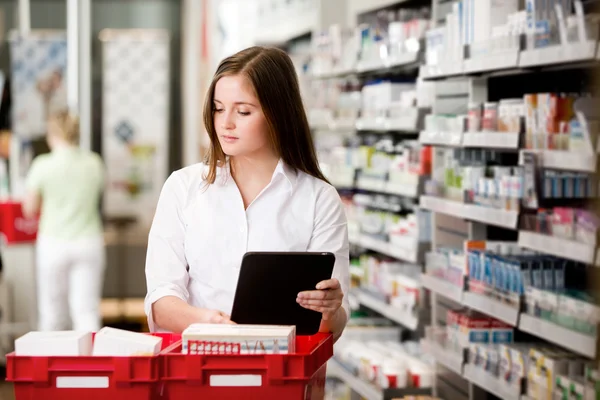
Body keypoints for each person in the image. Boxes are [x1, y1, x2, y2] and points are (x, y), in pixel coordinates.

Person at [144, 46, 350, 340]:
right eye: (218, 108)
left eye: (243, 111)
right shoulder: (184, 187)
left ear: (277, 113)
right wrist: (213, 325)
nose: (225, 123)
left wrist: (330, 309)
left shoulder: (319, 199)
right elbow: (160, 300)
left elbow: (333, 325)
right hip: (195, 366)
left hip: (281, 371)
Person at [23, 110, 106, 331]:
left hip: (53, 243)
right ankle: (90, 363)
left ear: (52, 134)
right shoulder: (94, 163)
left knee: (51, 312)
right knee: (86, 311)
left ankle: (50, 363)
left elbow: (29, 209)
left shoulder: (42, 165)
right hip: (88, 241)